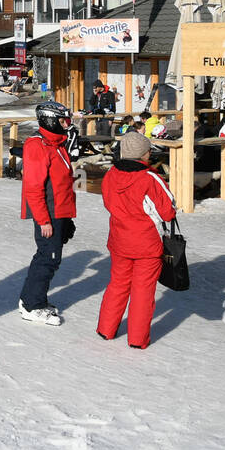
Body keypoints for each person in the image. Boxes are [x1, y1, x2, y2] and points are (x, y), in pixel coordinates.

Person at [97, 132, 176, 349]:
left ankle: (106, 329)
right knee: (143, 291)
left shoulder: (111, 174)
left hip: (119, 239)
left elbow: (108, 201)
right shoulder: (150, 178)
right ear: (144, 154)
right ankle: (138, 339)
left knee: (118, 284)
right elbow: (168, 212)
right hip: (147, 243)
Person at [18, 100, 77, 325]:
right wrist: (43, 220)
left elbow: (63, 185)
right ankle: (31, 305)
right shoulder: (38, 145)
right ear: (50, 120)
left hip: (58, 212)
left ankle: (36, 299)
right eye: (63, 120)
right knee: (47, 258)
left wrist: (67, 217)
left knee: (52, 258)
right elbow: (33, 187)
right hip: (48, 213)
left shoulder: (57, 144)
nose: (66, 125)